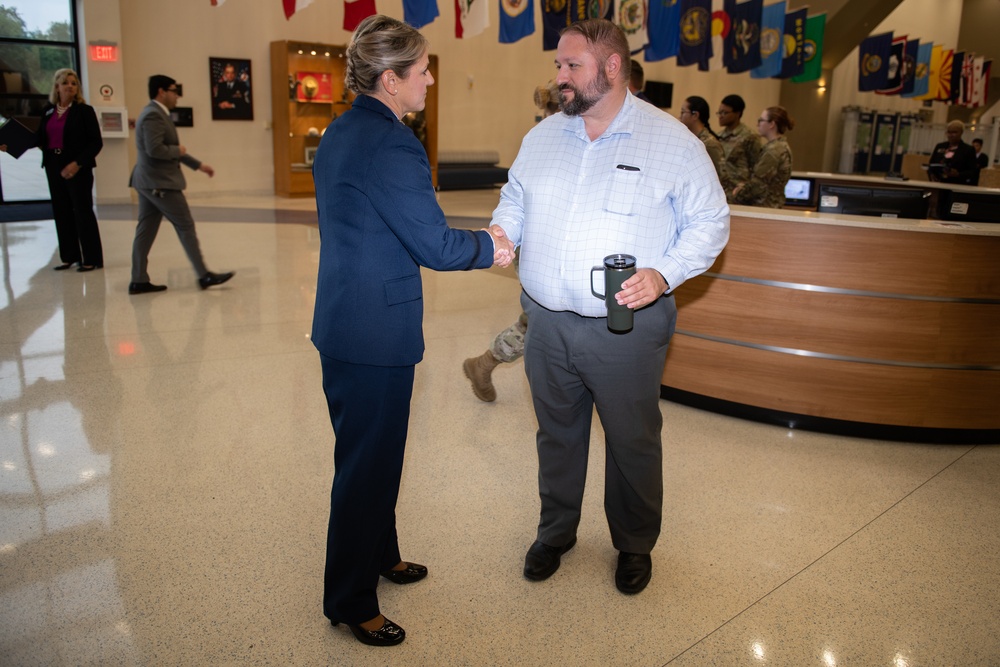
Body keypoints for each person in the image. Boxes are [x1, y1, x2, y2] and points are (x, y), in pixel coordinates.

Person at [492, 19, 728, 595]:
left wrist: (664, 273)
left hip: (626, 329)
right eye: (558, 66)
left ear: (613, 68)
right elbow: (515, 199)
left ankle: (634, 544)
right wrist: (503, 230)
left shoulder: (672, 142)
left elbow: (711, 223)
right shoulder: (544, 136)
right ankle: (556, 531)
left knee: (632, 441)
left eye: (572, 66)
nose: (560, 77)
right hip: (546, 322)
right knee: (557, 434)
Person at [311, 15, 512, 647]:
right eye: (422, 69)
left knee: (372, 455)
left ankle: (383, 553)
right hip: (374, 333)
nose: (429, 78)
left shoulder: (343, 129)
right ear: (392, 78)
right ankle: (350, 599)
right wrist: (492, 245)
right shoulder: (393, 143)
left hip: (345, 318)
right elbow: (434, 243)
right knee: (367, 467)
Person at [462, 78, 563, 403]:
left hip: (559, 248)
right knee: (541, 320)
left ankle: (483, 364)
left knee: (540, 320)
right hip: (540, 248)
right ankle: (485, 363)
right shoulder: (544, 141)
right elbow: (516, 198)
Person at [128, 75, 234, 295]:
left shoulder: (156, 114)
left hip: (149, 181)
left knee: (145, 230)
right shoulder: (153, 116)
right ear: (161, 92)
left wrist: (198, 165)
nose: (177, 95)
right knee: (185, 225)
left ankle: (138, 279)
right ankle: (203, 274)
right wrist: (179, 151)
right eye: (174, 90)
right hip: (160, 183)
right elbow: (155, 149)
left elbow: (168, 147)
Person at [1, 69, 104, 271]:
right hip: (53, 165)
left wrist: (77, 163)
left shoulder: (84, 111)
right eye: (66, 83)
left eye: (74, 83)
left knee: (82, 212)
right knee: (61, 210)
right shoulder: (48, 111)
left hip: (77, 167)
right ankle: (69, 256)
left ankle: (91, 258)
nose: (70, 86)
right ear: (57, 86)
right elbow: (40, 138)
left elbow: (95, 143)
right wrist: (10, 145)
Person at [732, 106, 795, 209]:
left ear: (772, 124)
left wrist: (737, 194)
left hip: (764, 208)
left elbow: (757, 184)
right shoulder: (780, 146)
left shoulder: (773, 151)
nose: (757, 124)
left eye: (761, 120)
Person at [716, 94, 761, 202]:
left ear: (737, 113)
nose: (721, 116)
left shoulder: (749, 137)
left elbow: (755, 168)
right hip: (721, 192)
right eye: (719, 113)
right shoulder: (719, 136)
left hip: (739, 194)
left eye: (725, 113)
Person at [679, 95, 726, 185]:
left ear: (695, 115)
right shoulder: (689, 140)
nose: (680, 117)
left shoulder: (710, 144)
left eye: (683, 112)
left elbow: (720, 178)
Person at [927, 120, 978, 185]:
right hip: (939, 183)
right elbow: (931, 164)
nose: (951, 135)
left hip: (957, 185)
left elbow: (972, 172)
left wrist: (958, 174)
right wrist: (931, 174)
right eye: (949, 132)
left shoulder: (968, 150)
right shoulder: (940, 146)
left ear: (961, 132)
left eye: (954, 132)